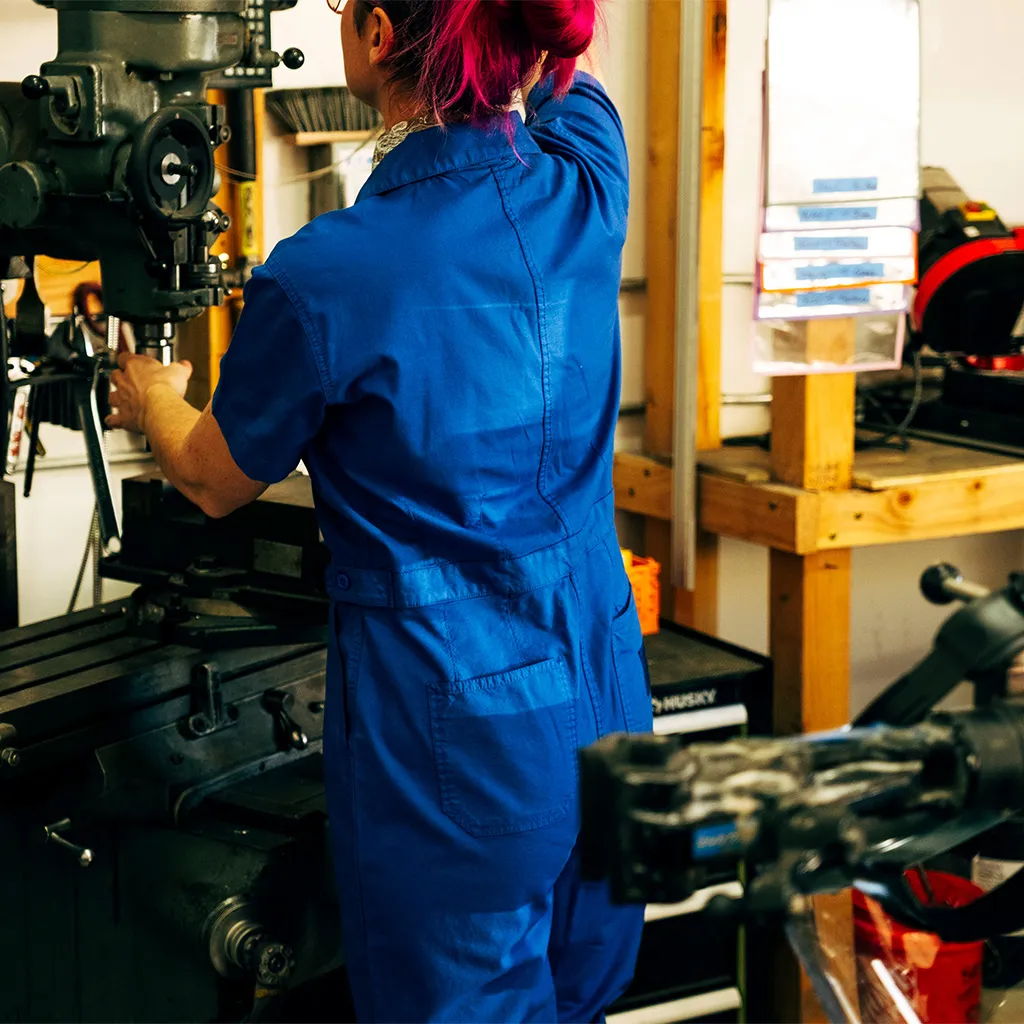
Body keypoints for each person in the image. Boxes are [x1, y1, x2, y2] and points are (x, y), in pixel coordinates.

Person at [107, 0, 652, 1019]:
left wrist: (156, 401)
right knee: (583, 992)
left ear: (378, 32)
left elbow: (215, 479)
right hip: (607, 687)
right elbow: (563, 76)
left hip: (459, 725)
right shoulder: (588, 177)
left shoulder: (328, 273)